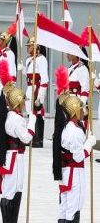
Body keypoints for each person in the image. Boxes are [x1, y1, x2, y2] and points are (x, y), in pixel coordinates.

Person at [0, 60, 35, 223]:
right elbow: (26, 138)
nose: (24, 104)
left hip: (15, 156)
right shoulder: (16, 120)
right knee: (11, 192)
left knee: (16, 190)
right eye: (23, 102)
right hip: (13, 158)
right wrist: (32, 120)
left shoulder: (14, 117)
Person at [53, 78, 95, 222]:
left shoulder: (67, 127)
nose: (83, 111)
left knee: (64, 208)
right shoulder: (74, 131)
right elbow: (78, 156)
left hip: (66, 172)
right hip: (74, 173)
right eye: (81, 109)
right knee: (74, 208)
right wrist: (89, 144)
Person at [22, 37, 48, 148]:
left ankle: (39, 139)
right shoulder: (29, 59)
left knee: (37, 113)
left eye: (30, 46)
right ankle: (32, 136)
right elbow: (28, 74)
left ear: (36, 47)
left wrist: (40, 97)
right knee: (29, 112)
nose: (28, 48)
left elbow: (45, 79)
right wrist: (23, 69)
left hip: (37, 88)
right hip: (29, 87)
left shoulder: (41, 59)